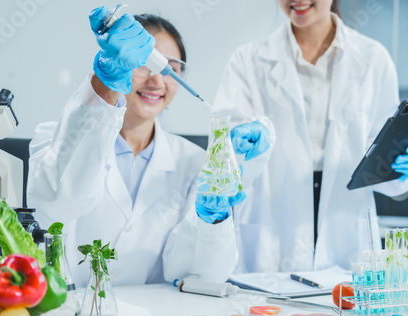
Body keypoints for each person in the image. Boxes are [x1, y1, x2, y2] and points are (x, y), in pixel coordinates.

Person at [27, 7, 245, 287]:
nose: (157, 80)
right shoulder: (54, 138)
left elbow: (197, 276)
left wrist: (211, 224)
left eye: (171, 69)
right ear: (120, 60)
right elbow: (58, 202)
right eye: (145, 64)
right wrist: (104, 82)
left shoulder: (193, 162)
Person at [214, 0, 408, 273]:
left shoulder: (372, 57)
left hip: (344, 217)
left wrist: (402, 165)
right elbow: (226, 154)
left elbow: (380, 148)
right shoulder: (247, 59)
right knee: (265, 311)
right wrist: (238, 145)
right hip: (273, 218)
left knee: (343, 307)